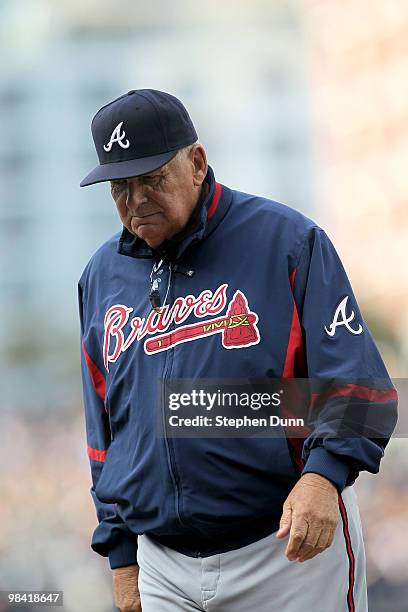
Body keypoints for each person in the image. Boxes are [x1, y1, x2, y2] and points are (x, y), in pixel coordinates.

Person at [78, 88, 398, 612]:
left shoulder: (288, 242)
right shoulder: (101, 277)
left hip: (286, 550)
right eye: (120, 186)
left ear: (197, 163)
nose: (136, 201)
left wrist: (325, 476)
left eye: (152, 179)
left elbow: (362, 389)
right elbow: (106, 432)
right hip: (163, 564)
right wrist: (121, 554)